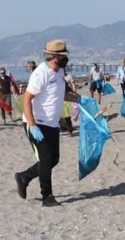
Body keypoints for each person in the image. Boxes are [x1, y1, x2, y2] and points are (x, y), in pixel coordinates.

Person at [14, 40, 83, 207]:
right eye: (63, 56)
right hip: (37, 122)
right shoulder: (40, 74)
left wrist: (80, 99)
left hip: (52, 124)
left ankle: (24, 177)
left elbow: (62, 94)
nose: (66, 59)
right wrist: (32, 125)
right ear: (54, 57)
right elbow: (27, 99)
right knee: (46, 159)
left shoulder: (59, 72)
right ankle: (47, 197)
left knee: (54, 159)